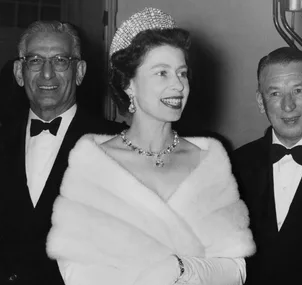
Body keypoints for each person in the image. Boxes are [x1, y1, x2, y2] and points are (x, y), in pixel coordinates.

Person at [47, 7, 255, 285]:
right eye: (162, 73)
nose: (178, 85)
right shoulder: (95, 164)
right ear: (129, 84)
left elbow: (235, 269)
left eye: (182, 73)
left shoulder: (210, 160)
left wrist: (180, 269)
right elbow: (77, 272)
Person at [0, 20, 125, 285]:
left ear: (79, 71)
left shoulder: (116, 146)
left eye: (60, 60)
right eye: (35, 60)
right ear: (18, 71)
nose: (47, 73)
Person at [233, 47, 302, 285]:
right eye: (275, 94)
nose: (288, 106)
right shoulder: (233, 166)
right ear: (261, 101)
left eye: (298, 91)